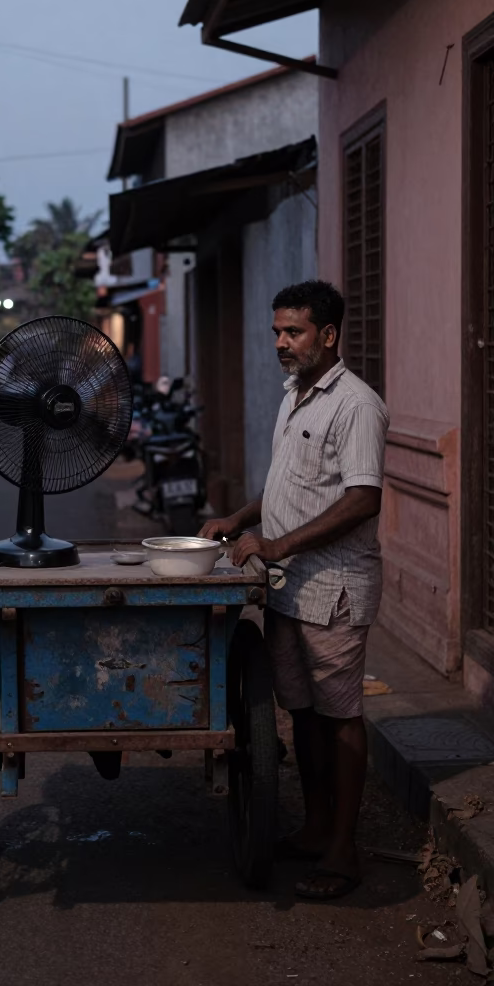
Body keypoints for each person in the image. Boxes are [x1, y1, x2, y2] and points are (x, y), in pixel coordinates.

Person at [200, 280, 389, 901]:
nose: (281, 342)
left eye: (294, 332)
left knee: (340, 718)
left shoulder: (356, 405)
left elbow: (362, 498)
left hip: (333, 586)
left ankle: (343, 850)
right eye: (277, 331)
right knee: (302, 716)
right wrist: (242, 518)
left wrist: (277, 546)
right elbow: (287, 484)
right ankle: (313, 827)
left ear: (328, 335)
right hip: (287, 587)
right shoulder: (293, 396)